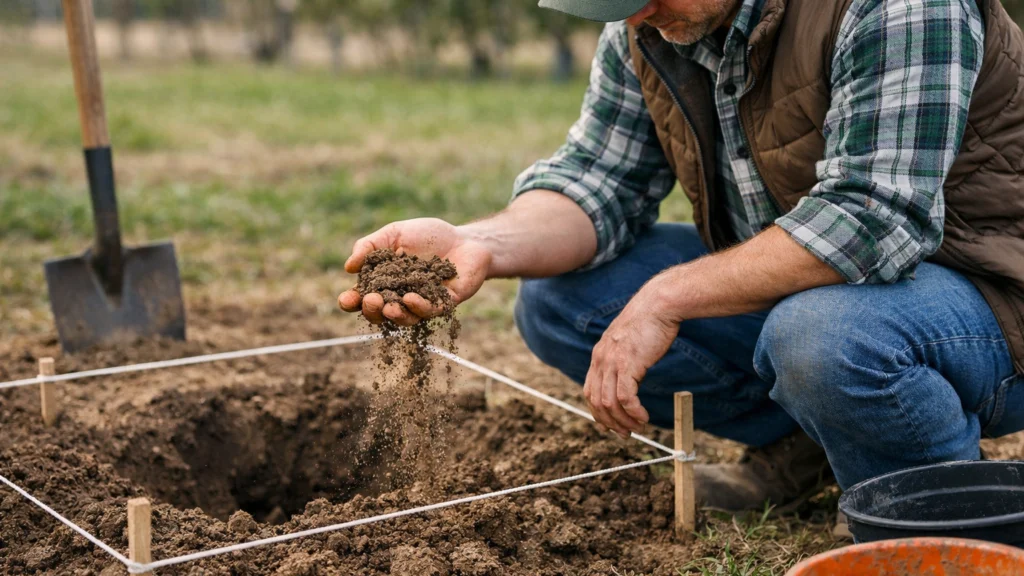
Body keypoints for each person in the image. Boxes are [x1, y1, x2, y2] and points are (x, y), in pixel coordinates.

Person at [339, 0, 1024, 520]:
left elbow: (871, 219)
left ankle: (940, 513)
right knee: (560, 300)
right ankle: (810, 446)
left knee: (823, 336)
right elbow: (599, 177)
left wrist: (666, 298)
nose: (635, 15)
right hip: (828, 291)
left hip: (992, 295)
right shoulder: (648, 26)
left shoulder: (898, 6)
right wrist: (480, 244)